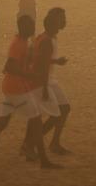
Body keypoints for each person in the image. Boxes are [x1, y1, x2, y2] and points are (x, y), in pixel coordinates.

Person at [0, 14, 60, 169]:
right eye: (30, 25)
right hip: (17, 90)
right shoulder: (17, 44)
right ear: (23, 27)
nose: (33, 28)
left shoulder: (22, 42)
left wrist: (51, 61)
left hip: (10, 89)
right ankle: (44, 161)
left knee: (1, 123)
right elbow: (10, 66)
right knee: (36, 121)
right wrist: (31, 75)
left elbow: (18, 62)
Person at [33, 8, 71, 155]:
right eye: (62, 19)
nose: (64, 21)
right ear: (54, 23)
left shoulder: (50, 37)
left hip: (50, 80)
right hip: (44, 81)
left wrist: (55, 61)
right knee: (56, 114)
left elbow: (42, 59)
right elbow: (41, 66)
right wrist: (43, 89)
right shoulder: (46, 40)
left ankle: (54, 143)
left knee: (65, 109)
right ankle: (31, 142)